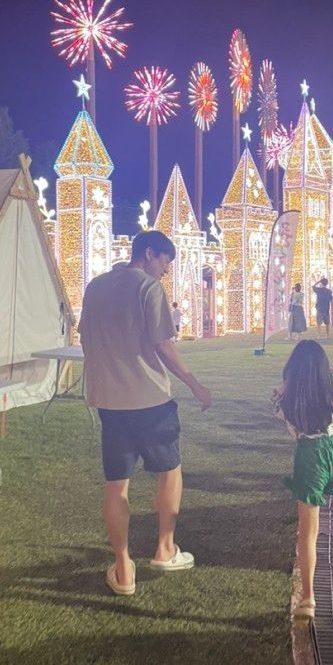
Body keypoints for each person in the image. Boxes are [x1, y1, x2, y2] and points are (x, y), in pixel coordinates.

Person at [79, 229, 212, 597]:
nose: (166, 270)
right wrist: (194, 383)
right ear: (149, 254)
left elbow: (85, 336)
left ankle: (123, 569)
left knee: (116, 485)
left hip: (110, 402)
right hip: (150, 400)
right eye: (165, 261)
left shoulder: (96, 287)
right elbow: (163, 345)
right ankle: (165, 549)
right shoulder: (149, 288)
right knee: (169, 473)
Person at [273, 305, 333, 620]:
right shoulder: (332, 386)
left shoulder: (286, 399)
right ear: (321, 367)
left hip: (309, 456)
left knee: (308, 531)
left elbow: (292, 429)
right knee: (313, 524)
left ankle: (308, 596)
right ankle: (308, 594)